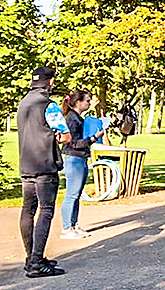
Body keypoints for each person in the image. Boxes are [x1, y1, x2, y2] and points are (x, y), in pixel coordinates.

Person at [17, 66, 70, 278]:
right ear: (50, 82)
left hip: (27, 164)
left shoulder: (23, 104)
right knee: (46, 210)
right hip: (45, 165)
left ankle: (31, 257)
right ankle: (37, 262)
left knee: (28, 210)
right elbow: (64, 135)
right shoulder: (48, 105)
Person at [60, 90, 104, 239]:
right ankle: (66, 228)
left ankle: (73, 225)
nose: (89, 103)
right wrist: (93, 138)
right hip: (74, 159)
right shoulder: (72, 119)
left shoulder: (78, 118)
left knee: (76, 195)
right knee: (71, 195)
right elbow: (73, 143)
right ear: (78, 102)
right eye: (87, 101)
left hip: (80, 158)